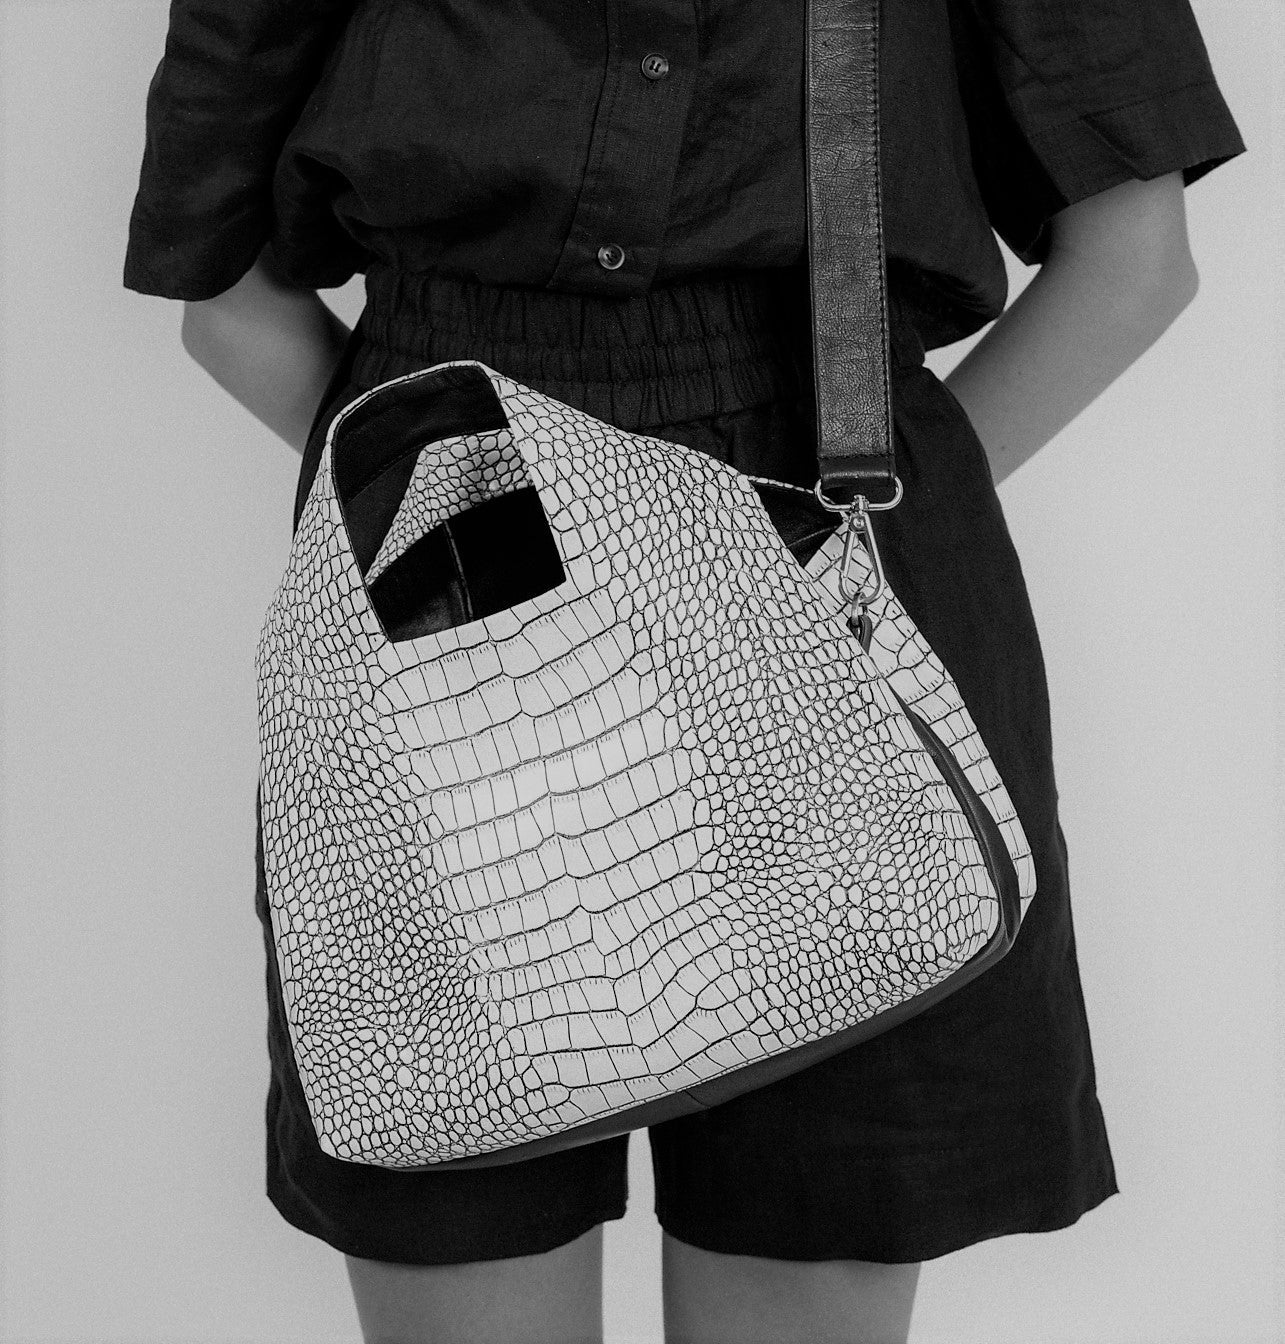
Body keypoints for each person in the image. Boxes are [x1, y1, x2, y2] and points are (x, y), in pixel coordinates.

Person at [123, 2, 1245, 1341]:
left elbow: (1131, 259)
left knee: (814, 1220)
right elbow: (226, 294)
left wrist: (791, 556)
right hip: (472, 569)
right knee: (452, 1188)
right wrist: (472, 516)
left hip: (786, 551)